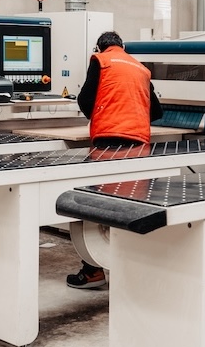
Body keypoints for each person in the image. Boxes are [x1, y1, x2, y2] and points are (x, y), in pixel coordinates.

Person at [66, 31, 163, 289]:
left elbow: (84, 100)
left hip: (108, 141)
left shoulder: (101, 61)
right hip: (139, 143)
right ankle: (132, 270)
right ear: (123, 46)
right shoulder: (140, 68)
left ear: (100, 47)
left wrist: (102, 114)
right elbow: (156, 111)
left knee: (94, 203)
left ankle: (93, 271)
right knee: (130, 204)